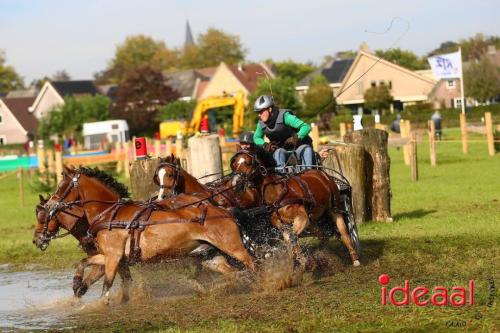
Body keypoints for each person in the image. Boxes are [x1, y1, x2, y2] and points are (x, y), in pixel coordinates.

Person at [252, 95, 314, 169]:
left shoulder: (285, 117)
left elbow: (306, 127)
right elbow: (256, 137)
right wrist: (265, 145)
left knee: (306, 149)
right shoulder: (261, 125)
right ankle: (281, 178)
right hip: (282, 151)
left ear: (270, 109)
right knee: (278, 153)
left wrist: (296, 138)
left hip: (298, 148)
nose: (259, 115)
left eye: (261, 111)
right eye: (258, 112)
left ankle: (309, 174)